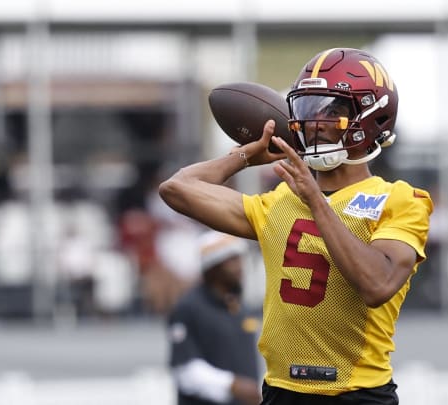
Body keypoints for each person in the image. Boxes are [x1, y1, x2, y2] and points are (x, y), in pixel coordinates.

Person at [159, 47, 433, 404]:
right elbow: (176, 189)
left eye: (331, 111)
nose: (313, 122)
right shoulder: (279, 201)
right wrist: (244, 157)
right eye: (307, 109)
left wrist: (316, 200)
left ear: (369, 117)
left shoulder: (401, 200)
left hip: (354, 393)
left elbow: (377, 284)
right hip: (282, 392)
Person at [168, 230, 262, 405]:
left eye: (239, 259)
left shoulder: (241, 307)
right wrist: (232, 385)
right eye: (231, 260)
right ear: (213, 267)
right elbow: (185, 371)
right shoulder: (188, 307)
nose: (239, 266)